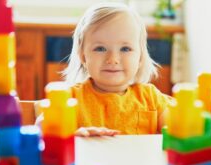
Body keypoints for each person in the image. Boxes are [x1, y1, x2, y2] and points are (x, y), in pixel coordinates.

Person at [37, 2, 172, 137]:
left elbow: (177, 128)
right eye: (100, 48)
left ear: (140, 57)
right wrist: (70, 135)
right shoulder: (70, 97)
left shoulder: (151, 98)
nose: (113, 59)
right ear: (83, 56)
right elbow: (40, 129)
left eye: (125, 49)